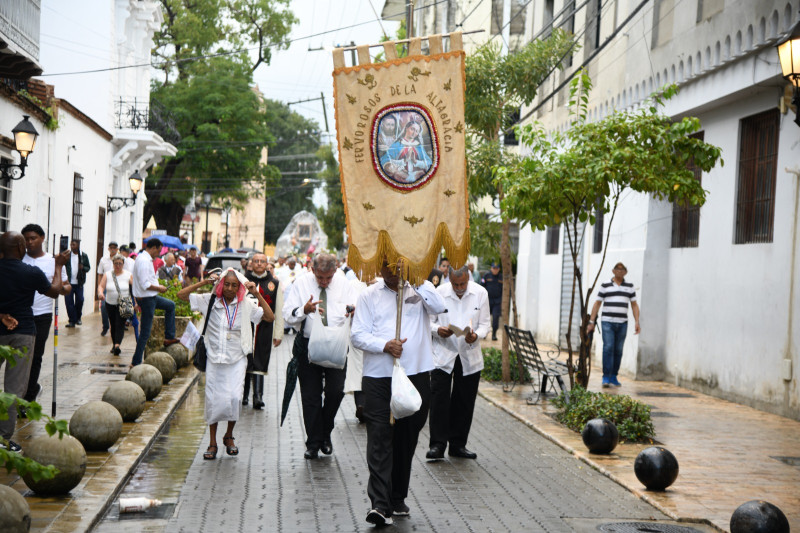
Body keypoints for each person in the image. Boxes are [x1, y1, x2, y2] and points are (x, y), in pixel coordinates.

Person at [350, 259, 446, 525]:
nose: (391, 272)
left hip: (415, 373)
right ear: (379, 268)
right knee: (379, 436)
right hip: (379, 376)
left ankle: (397, 496)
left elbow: (440, 308)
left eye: (396, 266)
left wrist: (416, 279)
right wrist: (384, 345)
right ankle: (379, 505)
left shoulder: (420, 290)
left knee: (407, 436)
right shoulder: (369, 295)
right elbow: (357, 335)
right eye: (386, 267)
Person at [178, 269, 275, 460]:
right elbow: (182, 295)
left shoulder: (246, 305)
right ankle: (212, 442)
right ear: (221, 285)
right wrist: (203, 283)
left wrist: (256, 293)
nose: (230, 289)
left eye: (234, 285)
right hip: (215, 358)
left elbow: (270, 318)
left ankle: (229, 435)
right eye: (227, 284)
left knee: (234, 398)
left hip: (237, 358)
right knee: (213, 401)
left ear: (240, 288)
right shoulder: (210, 300)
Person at [283, 254, 355, 459]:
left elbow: (356, 308)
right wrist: (304, 310)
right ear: (312, 270)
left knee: (336, 391)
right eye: (320, 277)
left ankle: (325, 432)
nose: (324, 281)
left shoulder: (344, 284)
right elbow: (287, 314)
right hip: (308, 344)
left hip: (336, 343)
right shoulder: (302, 283)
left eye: (328, 278)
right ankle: (314, 442)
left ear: (335, 271)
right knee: (310, 395)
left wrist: (353, 311)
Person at [0, 231, 67, 452]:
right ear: (21, 248)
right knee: (13, 389)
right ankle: (2, 440)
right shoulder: (30, 272)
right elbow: (55, 291)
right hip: (24, 332)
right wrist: (58, 266)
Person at [427, 266, 490, 460]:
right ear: (450, 280)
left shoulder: (480, 292)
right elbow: (427, 321)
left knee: (464, 401)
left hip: (469, 354)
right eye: (455, 284)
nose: (459, 287)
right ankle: (437, 445)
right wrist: (438, 330)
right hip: (443, 354)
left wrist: (476, 335)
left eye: (462, 283)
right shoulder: (439, 293)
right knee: (439, 400)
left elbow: (485, 324)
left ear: (468, 278)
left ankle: (458, 445)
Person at [21, 224, 71, 408]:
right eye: (26, 239)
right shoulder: (20, 258)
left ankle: (27, 397)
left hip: (42, 314)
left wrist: (60, 289)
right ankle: (26, 391)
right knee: (21, 357)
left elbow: (66, 285)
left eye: (33, 238)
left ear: (42, 238)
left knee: (36, 356)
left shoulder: (54, 260)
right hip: (22, 313)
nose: (29, 242)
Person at [587, 262, 640, 388]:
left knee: (618, 350)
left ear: (625, 272)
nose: (620, 272)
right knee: (608, 347)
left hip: (622, 323)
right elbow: (597, 303)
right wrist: (591, 321)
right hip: (607, 322)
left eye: (623, 270)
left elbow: (634, 305)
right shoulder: (605, 285)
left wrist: (637, 322)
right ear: (613, 271)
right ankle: (606, 376)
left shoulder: (630, 286)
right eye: (617, 269)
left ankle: (613, 376)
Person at [243, 253, 284, 409]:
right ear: (251, 263)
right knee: (245, 357)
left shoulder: (274, 283)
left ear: (267, 264)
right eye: (256, 261)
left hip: (264, 329)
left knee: (260, 358)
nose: (259, 264)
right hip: (246, 327)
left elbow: (279, 310)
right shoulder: (243, 281)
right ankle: (244, 395)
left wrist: (278, 333)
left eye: (262, 261)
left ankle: (258, 396)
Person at [131, 239, 179, 367]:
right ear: (152, 248)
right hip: (147, 299)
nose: (158, 254)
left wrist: (159, 286)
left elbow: (148, 281)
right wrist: (159, 288)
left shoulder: (145, 260)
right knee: (145, 332)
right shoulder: (143, 261)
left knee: (170, 306)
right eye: (158, 251)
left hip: (151, 297)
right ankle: (135, 362)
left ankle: (169, 337)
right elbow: (145, 284)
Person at [97, 254, 133, 356]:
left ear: (123, 264)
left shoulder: (128, 274)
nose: (118, 266)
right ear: (112, 264)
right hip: (110, 303)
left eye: (120, 264)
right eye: (116, 263)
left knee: (120, 324)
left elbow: (135, 288)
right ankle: (114, 344)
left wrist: (137, 302)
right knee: (113, 324)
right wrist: (100, 293)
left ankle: (117, 345)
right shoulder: (107, 274)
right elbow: (101, 286)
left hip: (123, 304)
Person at [63, 238, 90, 327]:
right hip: (69, 283)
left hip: (79, 283)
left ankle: (78, 317)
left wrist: (83, 268)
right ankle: (72, 321)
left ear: (78, 245)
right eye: (71, 245)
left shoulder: (83, 255)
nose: (71, 246)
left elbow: (88, 267)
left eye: (73, 245)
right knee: (69, 302)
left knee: (80, 300)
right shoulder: (67, 255)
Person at [97, 241, 119, 336]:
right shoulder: (103, 260)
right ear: (108, 248)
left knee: (117, 307)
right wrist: (99, 288)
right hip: (106, 286)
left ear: (117, 249)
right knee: (103, 307)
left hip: (118, 286)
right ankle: (105, 327)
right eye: (111, 247)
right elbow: (100, 274)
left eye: (115, 247)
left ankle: (115, 327)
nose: (113, 249)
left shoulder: (120, 259)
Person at [481, 263, 503, 341]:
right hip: (487, 301)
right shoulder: (486, 275)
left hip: (497, 301)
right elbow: (482, 286)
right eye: (494, 268)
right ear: (491, 268)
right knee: (485, 318)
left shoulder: (501, 277)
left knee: (495, 318)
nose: (495, 270)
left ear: (499, 269)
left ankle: (494, 334)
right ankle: (484, 333)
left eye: (496, 268)